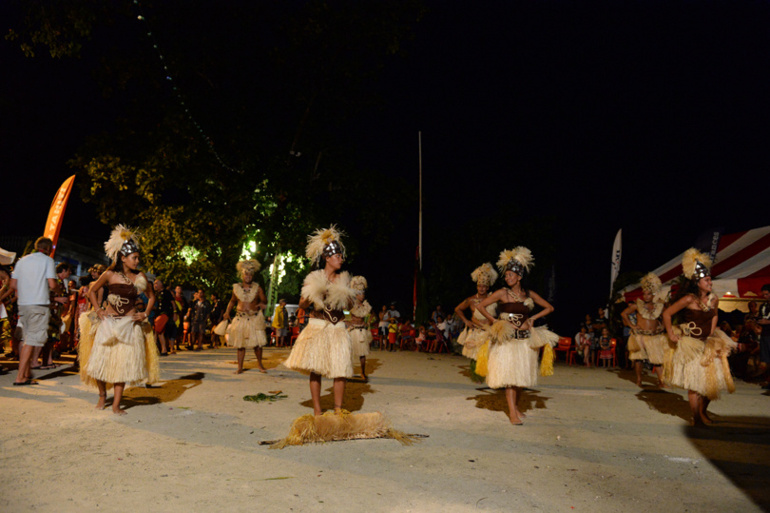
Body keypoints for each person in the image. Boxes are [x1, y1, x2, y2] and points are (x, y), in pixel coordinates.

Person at [78, 225, 159, 414]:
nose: (138, 261)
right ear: (123, 258)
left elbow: (152, 296)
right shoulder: (109, 274)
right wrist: (98, 310)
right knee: (101, 362)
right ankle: (101, 396)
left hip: (129, 325)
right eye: (135, 257)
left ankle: (116, 404)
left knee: (122, 365)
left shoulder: (140, 276)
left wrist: (145, 313)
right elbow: (92, 291)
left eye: (138, 257)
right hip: (108, 324)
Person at [477, 246, 557, 425]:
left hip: (524, 341)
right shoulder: (502, 293)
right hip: (507, 341)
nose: (507, 278)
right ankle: (512, 412)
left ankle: (516, 408)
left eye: (510, 275)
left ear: (519, 277)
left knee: (520, 379)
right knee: (510, 379)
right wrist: (495, 321)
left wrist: (533, 318)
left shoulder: (528, 294)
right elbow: (480, 306)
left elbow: (549, 308)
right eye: (506, 275)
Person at [284, 226, 356, 415]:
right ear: (327, 258)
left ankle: (338, 409)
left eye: (341, 256)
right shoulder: (314, 278)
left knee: (340, 369)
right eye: (337, 256)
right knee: (316, 368)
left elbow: (349, 307)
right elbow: (301, 305)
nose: (341, 259)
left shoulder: (344, 279)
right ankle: (317, 409)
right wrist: (314, 293)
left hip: (338, 328)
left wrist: (348, 316)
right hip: (318, 327)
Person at [662, 248, 737, 427]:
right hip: (691, 345)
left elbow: (715, 315)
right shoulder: (689, 299)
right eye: (707, 280)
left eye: (710, 279)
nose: (710, 282)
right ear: (697, 282)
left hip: (708, 343)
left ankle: (702, 413)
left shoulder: (714, 299)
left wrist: (712, 330)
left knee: (712, 384)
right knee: (695, 384)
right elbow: (667, 314)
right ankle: (696, 418)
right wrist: (671, 334)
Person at [9, 237, 62, 385]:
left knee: (27, 339)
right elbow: (52, 283)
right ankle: (20, 377)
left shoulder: (22, 261)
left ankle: (25, 374)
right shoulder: (47, 261)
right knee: (32, 341)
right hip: (38, 305)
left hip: (23, 305)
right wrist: (58, 290)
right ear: (49, 249)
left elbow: (13, 284)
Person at [621, 272, 670, 386]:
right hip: (640, 336)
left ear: (653, 295)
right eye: (644, 294)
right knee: (639, 359)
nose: (645, 296)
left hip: (654, 337)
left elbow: (667, 316)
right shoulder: (637, 305)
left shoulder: (659, 306)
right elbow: (624, 314)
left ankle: (661, 380)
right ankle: (639, 379)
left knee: (657, 361)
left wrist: (662, 325)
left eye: (648, 294)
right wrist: (632, 325)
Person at [223, 260, 268, 374]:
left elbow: (265, 301)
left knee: (257, 344)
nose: (248, 276)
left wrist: (262, 305)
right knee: (240, 345)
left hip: (254, 318)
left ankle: (260, 365)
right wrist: (227, 311)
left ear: (252, 275)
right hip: (240, 318)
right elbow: (232, 301)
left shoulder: (258, 288)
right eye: (245, 274)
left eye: (250, 274)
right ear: (242, 275)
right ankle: (240, 367)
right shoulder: (236, 288)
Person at [455, 262, 498, 362]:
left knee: (488, 359)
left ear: (487, 287)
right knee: (474, 359)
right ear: (477, 287)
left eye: (484, 286)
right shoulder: (471, 300)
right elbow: (458, 309)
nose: (481, 288)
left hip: (488, 332)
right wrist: (466, 321)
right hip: (476, 333)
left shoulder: (493, 299)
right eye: (479, 286)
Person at [348, 275, 373, 381]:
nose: (362, 296)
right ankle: (347, 372)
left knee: (362, 354)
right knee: (348, 353)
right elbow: (345, 315)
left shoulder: (365, 306)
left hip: (362, 331)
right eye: (360, 294)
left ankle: (362, 372)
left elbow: (371, 316)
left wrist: (368, 323)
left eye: (363, 293)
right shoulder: (350, 305)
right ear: (356, 295)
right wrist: (348, 322)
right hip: (352, 331)